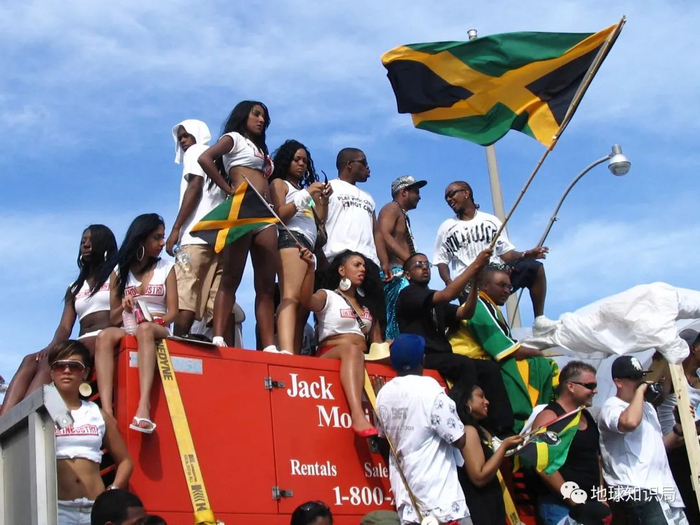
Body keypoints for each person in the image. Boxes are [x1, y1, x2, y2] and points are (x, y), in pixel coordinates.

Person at [0, 225, 118, 417]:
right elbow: (65, 326)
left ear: (105, 244)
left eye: (91, 240)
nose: (85, 244)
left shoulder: (116, 276)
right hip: (81, 340)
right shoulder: (74, 287)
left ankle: (25, 417)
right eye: (83, 241)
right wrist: (52, 345)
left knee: (55, 359)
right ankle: (5, 419)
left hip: (104, 337)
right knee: (31, 360)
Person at [396, 251, 514, 436]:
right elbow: (447, 294)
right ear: (408, 274)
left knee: (489, 368)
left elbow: (465, 313)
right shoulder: (408, 294)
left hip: (443, 356)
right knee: (463, 364)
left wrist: (474, 285)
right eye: (418, 265)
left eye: (427, 264)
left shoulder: (435, 299)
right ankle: (461, 418)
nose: (425, 267)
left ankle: (502, 430)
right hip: (422, 356)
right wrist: (476, 265)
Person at [198, 100, 277, 350]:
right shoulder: (233, 138)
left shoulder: (262, 151)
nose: (261, 120)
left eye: (264, 118)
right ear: (243, 115)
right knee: (231, 276)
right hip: (242, 209)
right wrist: (228, 189)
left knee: (266, 284)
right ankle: (219, 336)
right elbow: (205, 158)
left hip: (265, 213)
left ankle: (268, 345)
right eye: (256, 114)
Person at [375, 334, 472, 525]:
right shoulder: (430, 389)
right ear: (423, 359)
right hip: (443, 503)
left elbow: (384, 443)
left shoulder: (383, 394)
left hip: (409, 504)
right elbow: (459, 440)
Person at [94, 214, 177, 433]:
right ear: (141, 239)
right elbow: (113, 318)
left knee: (145, 329)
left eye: (163, 237)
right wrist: (124, 306)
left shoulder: (166, 267)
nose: (162, 243)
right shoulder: (119, 271)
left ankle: (144, 406)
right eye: (157, 237)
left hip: (157, 325)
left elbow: (174, 312)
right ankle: (107, 412)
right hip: (129, 324)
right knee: (104, 336)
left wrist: (158, 320)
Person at [449, 265, 556, 431]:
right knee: (539, 363)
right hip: (472, 362)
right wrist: (538, 353)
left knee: (540, 363)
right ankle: (523, 419)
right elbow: (505, 350)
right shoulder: (478, 305)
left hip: (484, 360)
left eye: (509, 287)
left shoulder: (490, 305)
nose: (506, 291)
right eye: (501, 285)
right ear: (485, 286)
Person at [433, 181, 551, 332]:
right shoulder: (446, 227)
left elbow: (507, 254)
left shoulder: (491, 220)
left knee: (534, 268)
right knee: (486, 328)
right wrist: (450, 283)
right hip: (469, 283)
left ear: (466, 193)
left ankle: (539, 321)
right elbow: (441, 261)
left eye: (451, 194)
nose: (449, 199)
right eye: (446, 198)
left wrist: (526, 254)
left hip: (497, 275)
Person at [299, 248, 382, 436]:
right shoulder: (328, 296)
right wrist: (310, 269)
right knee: (351, 350)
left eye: (363, 266)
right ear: (342, 270)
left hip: (360, 357)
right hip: (330, 354)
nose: (362, 269)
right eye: (357, 265)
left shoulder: (367, 307)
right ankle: (357, 415)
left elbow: (377, 345)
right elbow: (306, 301)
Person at [49, 340, 132, 524]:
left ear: (85, 372)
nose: (67, 371)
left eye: (75, 366)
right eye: (60, 365)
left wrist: (111, 493)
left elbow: (125, 461)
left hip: (95, 510)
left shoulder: (97, 414)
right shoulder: (42, 414)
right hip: (56, 510)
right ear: (52, 372)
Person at [598, 355, 688, 524]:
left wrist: (678, 429)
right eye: (634, 378)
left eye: (641, 377)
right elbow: (629, 423)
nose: (640, 382)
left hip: (663, 489)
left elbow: (658, 447)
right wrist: (640, 391)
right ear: (618, 382)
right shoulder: (612, 406)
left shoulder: (647, 407)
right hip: (638, 490)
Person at [165, 119, 226, 338]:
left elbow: (195, 186)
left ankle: (178, 343)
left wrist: (176, 229)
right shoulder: (220, 159)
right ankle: (217, 344)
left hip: (194, 237)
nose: (183, 141)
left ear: (197, 134)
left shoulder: (195, 152)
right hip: (219, 240)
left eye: (186, 135)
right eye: (180, 137)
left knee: (185, 293)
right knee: (214, 298)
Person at [269, 139, 330, 354]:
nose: (301, 164)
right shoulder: (280, 184)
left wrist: (323, 199)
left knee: (304, 305)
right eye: (296, 159)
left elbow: (319, 220)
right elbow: (280, 214)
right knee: (290, 297)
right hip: (291, 239)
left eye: (304, 160)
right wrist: (306, 194)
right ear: (286, 161)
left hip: (308, 245)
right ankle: (286, 349)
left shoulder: (304, 191)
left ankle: (294, 352)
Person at [529, 361, 608, 525]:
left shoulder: (586, 415)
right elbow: (542, 464)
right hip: (560, 506)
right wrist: (574, 500)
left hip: (590, 505)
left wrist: (601, 497)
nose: (595, 391)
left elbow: (595, 458)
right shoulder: (550, 417)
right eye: (590, 386)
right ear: (570, 386)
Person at [323, 148, 392, 332]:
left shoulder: (368, 198)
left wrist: (384, 261)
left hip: (369, 262)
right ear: (349, 164)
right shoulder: (329, 187)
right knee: (336, 313)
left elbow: (376, 231)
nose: (368, 168)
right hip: (337, 258)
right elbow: (317, 221)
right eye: (363, 162)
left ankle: (375, 348)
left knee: (376, 314)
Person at [448, 383, 523, 525]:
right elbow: (479, 477)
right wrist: (504, 447)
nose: (487, 401)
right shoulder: (468, 431)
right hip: (479, 509)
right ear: (466, 401)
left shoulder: (482, 430)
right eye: (481, 396)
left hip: (492, 505)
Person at [657, 328, 700, 523]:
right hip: (670, 446)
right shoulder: (672, 374)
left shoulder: (697, 380)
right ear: (693, 348)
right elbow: (655, 397)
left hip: (688, 443)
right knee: (687, 502)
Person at [377, 175, 426, 340]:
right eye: (416, 192)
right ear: (404, 192)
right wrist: (410, 262)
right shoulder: (391, 208)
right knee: (396, 322)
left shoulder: (402, 214)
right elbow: (383, 234)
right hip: (396, 274)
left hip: (403, 273)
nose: (419, 197)